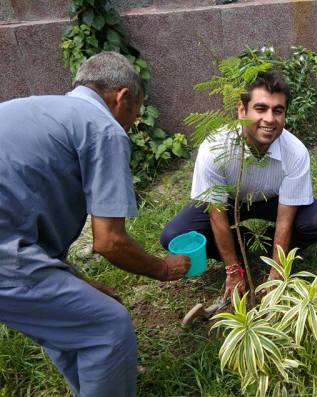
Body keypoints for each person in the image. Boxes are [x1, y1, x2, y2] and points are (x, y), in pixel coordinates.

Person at [0, 52, 190, 397]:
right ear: (122, 97)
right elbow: (109, 242)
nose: (132, 123)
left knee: (71, 322)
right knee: (107, 325)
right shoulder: (103, 127)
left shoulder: (38, 108)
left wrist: (77, 283)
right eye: (136, 112)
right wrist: (164, 269)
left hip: (12, 241)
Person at [160, 71, 317, 299]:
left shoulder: (296, 152)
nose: (270, 119)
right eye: (260, 109)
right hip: (229, 200)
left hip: (273, 200)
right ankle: (240, 245)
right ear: (242, 111)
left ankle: (265, 246)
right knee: (173, 234)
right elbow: (217, 212)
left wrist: (276, 271)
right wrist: (233, 270)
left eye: (278, 111)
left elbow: (285, 218)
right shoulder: (214, 147)